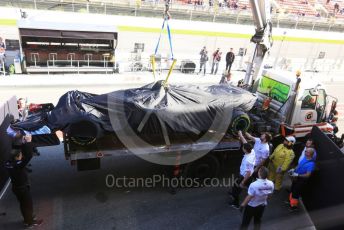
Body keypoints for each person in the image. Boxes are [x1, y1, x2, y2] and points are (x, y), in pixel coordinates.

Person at [5, 135, 43, 228]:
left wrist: (23, 143)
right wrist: (29, 142)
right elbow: (29, 156)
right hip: (22, 188)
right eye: (21, 155)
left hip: (16, 188)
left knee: (23, 204)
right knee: (27, 205)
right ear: (18, 157)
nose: (22, 156)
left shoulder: (8, 163)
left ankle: (27, 219)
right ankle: (30, 222)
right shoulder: (18, 166)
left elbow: (20, 156)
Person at [229, 143, 255, 209]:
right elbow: (245, 142)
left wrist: (242, 182)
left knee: (236, 189)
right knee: (243, 185)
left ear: (245, 150)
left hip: (244, 177)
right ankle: (252, 193)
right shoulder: (252, 151)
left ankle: (236, 204)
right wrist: (241, 135)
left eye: (243, 147)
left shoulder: (247, 160)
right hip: (247, 175)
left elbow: (248, 173)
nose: (242, 148)